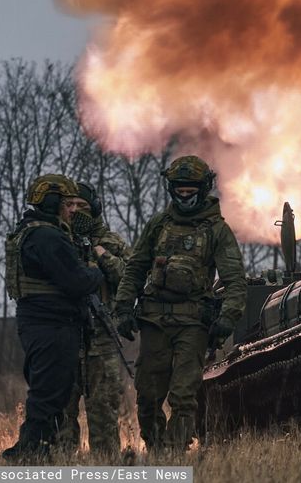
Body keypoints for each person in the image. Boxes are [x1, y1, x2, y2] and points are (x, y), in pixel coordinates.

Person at [112, 155, 246, 453]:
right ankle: (158, 448)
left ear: (203, 189)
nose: (185, 196)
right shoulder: (159, 224)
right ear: (172, 189)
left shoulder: (217, 230)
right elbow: (135, 267)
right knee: (147, 395)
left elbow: (235, 280)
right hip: (154, 321)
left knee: (184, 396)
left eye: (191, 190)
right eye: (180, 190)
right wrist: (122, 308)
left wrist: (227, 318)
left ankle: (174, 453)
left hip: (193, 324)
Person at [3, 174, 103, 460]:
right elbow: (80, 281)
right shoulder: (47, 236)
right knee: (48, 394)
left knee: (52, 392)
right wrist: (96, 268)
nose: (74, 210)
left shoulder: (33, 231)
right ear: (51, 202)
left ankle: (44, 452)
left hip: (44, 323)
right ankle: (28, 453)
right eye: (68, 203)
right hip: (51, 325)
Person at [60, 182, 131, 455]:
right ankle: (63, 467)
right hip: (65, 335)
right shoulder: (56, 241)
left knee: (103, 408)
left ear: (95, 210)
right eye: (70, 205)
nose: (75, 210)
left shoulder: (111, 242)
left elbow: (130, 277)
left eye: (83, 206)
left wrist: (102, 256)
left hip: (101, 337)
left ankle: (107, 464)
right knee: (63, 410)